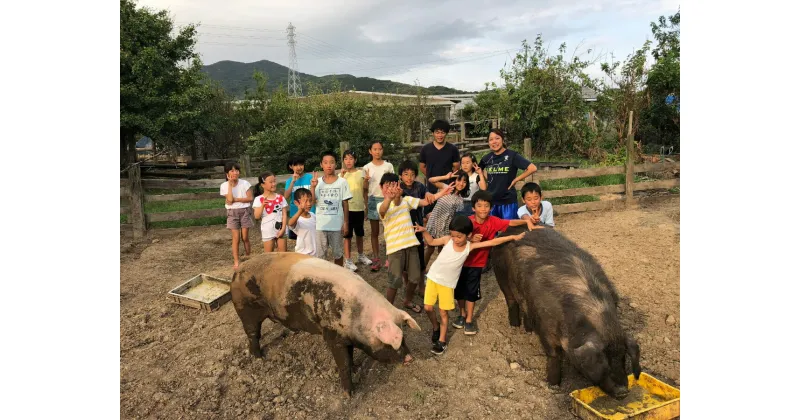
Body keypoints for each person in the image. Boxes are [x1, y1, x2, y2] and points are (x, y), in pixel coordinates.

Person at [415, 216, 525, 355]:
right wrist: (424, 231)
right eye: (453, 235)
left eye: (459, 236)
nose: (455, 239)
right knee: (428, 307)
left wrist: (513, 237)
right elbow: (430, 241)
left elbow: (493, 241)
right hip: (432, 279)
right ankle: (435, 327)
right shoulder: (447, 240)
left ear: (469, 235)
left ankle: (442, 341)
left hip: (447, 285)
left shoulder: (469, 246)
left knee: (443, 312)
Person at [451, 190, 540, 335]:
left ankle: (469, 319)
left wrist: (526, 221)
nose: (483, 209)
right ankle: (461, 314)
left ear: (491, 208)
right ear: (473, 208)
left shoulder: (493, 221)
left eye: (486, 206)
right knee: (460, 292)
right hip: (460, 262)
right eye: (479, 206)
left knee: (472, 292)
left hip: (477, 264)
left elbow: (510, 222)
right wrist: (469, 239)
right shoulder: (467, 222)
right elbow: (455, 237)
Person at [378, 173, 452, 314]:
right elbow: (382, 211)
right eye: (387, 185)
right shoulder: (381, 205)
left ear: (399, 186)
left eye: (394, 185)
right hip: (395, 248)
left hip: (411, 245)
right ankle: (388, 309)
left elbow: (425, 202)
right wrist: (388, 198)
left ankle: (407, 300)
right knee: (395, 281)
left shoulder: (407, 201)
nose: (391, 188)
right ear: (381, 188)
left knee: (414, 278)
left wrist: (443, 192)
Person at [478, 129, 538, 220]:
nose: (494, 141)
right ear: (488, 143)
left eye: (497, 138)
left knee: (509, 230)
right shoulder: (486, 158)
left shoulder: (512, 156)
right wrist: (485, 178)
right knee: (493, 231)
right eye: (491, 139)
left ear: (502, 140)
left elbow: (532, 168)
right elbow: (477, 170)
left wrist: (516, 179)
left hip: (508, 201)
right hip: (491, 201)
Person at [397, 159, 435, 297]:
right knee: (405, 259)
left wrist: (429, 194)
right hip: (403, 229)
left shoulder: (419, 187)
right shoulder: (398, 189)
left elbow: (427, 195)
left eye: (412, 174)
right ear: (400, 175)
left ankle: (421, 286)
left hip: (417, 227)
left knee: (419, 258)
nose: (409, 177)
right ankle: (407, 284)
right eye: (406, 174)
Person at [422, 170, 469, 270]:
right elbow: (431, 180)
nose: (461, 183)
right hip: (434, 222)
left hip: (446, 227)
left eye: (464, 181)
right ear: (454, 179)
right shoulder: (445, 187)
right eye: (459, 180)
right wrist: (445, 177)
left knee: (442, 251)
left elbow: (456, 217)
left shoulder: (460, 200)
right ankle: (422, 271)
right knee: (429, 249)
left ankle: (438, 272)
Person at [313, 151, 352, 267]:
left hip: (336, 225)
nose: (329, 165)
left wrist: (346, 223)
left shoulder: (342, 182)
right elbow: (312, 201)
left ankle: (338, 276)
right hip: (321, 225)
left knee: (338, 254)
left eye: (331, 162)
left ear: (336, 164)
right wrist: (312, 187)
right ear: (321, 165)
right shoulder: (317, 182)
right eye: (325, 163)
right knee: (321, 255)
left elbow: (345, 203)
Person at [362, 140, 395, 271]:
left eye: (380, 149)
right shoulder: (366, 167)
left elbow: (393, 182)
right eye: (374, 149)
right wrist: (366, 180)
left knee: (389, 230)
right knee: (375, 231)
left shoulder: (388, 166)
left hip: (387, 199)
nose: (377, 151)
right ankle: (376, 258)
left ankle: (390, 257)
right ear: (370, 151)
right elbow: (364, 188)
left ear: (383, 150)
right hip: (373, 199)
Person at [419, 119, 460, 216]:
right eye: (437, 132)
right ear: (433, 133)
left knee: (448, 216)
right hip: (431, 189)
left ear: (446, 133)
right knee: (429, 217)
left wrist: (447, 179)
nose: (440, 135)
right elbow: (422, 167)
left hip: (447, 188)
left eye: (442, 132)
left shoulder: (452, 149)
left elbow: (456, 167)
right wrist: (432, 178)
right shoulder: (426, 149)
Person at [339, 149, 372, 271]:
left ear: (355, 160)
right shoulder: (341, 175)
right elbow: (339, 190)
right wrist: (341, 176)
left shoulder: (361, 173)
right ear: (343, 161)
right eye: (346, 159)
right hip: (346, 209)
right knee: (347, 235)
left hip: (359, 207)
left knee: (360, 233)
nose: (348, 161)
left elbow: (364, 190)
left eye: (351, 158)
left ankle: (361, 255)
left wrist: (366, 180)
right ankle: (347, 260)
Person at [220, 162, 253, 269]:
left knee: (245, 237)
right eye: (232, 171)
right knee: (236, 238)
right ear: (227, 173)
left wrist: (236, 199)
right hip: (232, 213)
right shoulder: (224, 186)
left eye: (237, 170)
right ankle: (236, 261)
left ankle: (249, 257)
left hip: (244, 211)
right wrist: (230, 185)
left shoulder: (245, 183)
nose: (235, 173)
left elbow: (250, 198)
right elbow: (229, 200)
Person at [252, 171, 288, 253]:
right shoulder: (258, 199)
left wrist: (283, 229)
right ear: (262, 185)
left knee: (283, 254)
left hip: (281, 229)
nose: (274, 184)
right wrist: (262, 206)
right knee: (268, 256)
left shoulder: (281, 198)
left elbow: (284, 215)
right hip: (267, 230)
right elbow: (257, 216)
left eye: (274, 181)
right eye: (271, 182)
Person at [283, 155, 316, 242]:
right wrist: (293, 181)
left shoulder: (310, 178)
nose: (299, 167)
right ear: (291, 166)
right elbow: (286, 196)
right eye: (296, 165)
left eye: (301, 164)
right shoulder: (289, 181)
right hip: (296, 215)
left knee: (311, 239)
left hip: (310, 213)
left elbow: (314, 197)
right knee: (298, 240)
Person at [456, 153, 487, 217]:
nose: (465, 165)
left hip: (472, 204)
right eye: (463, 163)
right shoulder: (457, 176)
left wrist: (481, 174)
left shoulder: (477, 176)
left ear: (473, 164)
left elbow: (484, 189)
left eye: (467, 163)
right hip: (458, 203)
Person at [287, 188, 317, 256]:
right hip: (303, 254)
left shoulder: (313, 215)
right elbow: (290, 223)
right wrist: (300, 211)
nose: (309, 204)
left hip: (315, 253)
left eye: (310, 200)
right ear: (296, 203)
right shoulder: (297, 219)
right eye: (305, 201)